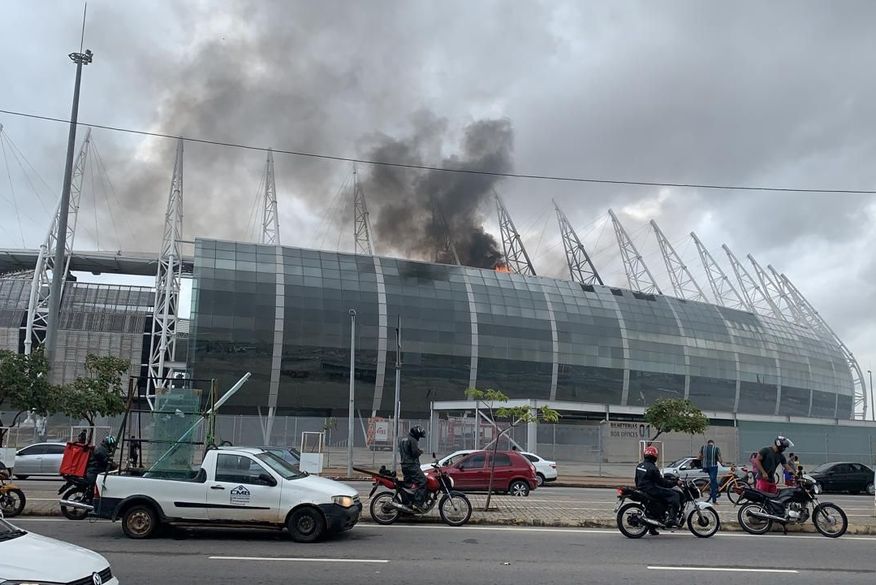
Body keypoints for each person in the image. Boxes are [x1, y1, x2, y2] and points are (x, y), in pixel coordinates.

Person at [635, 445, 681, 533]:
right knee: (675, 495)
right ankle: (672, 519)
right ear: (655, 457)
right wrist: (674, 483)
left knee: (656, 504)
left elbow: (636, 479)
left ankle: (652, 528)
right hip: (651, 490)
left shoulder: (640, 466)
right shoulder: (653, 468)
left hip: (642, 489)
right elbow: (662, 482)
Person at [398, 425, 427, 511]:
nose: (419, 438)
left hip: (404, 466)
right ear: (417, 434)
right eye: (419, 436)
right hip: (412, 466)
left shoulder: (403, 439)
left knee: (408, 486)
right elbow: (414, 453)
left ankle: (407, 506)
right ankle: (418, 503)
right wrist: (420, 451)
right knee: (423, 481)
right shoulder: (413, 440)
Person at [84, 435, 117, 502]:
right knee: (97, 487)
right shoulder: (101, 450)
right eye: (112, 446)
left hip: (97, 471)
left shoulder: (104, 450)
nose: (113, 448)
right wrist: (113, 465)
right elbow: (105, 461)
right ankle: (91, 500)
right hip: (93, 472)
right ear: (109, 444)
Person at [699, 439, 723, 504]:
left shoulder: (703, 448)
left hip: (705, 467)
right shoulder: (716, 448)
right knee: (713, 482)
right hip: (713, 467)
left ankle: (716, 489)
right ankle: (714, 499)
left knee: (713, 480)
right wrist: (720, 461)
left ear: (708, 443)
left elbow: (700, 457)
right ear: (713, 443)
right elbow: (720, 459)